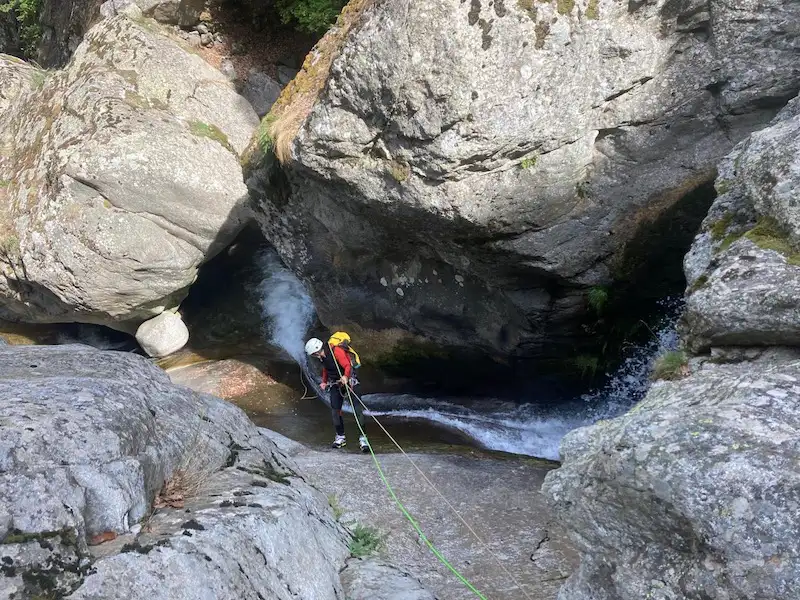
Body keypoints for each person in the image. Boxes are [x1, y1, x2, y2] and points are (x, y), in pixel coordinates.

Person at [305, 337, 369, 452]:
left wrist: (345, 377)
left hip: (350, 382)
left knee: (357, 410)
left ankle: (363, 438)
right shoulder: (322, 356)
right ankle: (340, 437)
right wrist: (324, 382)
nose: (315, 356)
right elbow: (326, 369)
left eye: (314, 354)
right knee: (335, 410)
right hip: (336, 384)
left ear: (317, 350)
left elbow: (347, 366)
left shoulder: (336, 351)